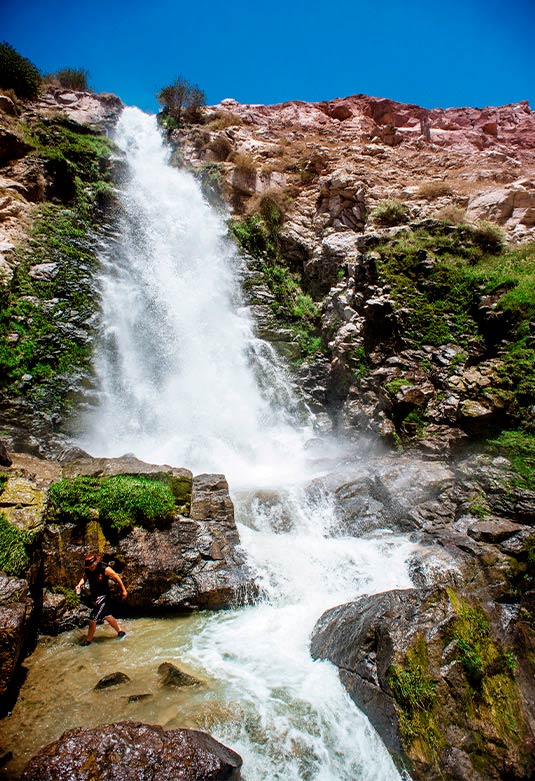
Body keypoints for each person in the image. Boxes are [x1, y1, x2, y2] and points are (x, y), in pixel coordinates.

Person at [75, 554, 128, 646]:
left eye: (91, 566)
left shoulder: (104, 569)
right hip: (95, 596)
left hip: (104, 596)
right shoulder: (88, 570)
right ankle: (120, 632)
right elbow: (84, 577)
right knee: (106, 616)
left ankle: (88, 641)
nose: (90, 568)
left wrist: (124, 590)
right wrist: (79, 585)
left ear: (95, 563)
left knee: (93, 618)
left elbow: (116, 577)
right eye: (88, 567)